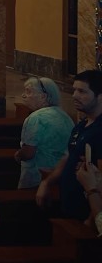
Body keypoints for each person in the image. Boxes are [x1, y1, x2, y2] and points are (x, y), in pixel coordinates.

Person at [37, 69, 102, 221]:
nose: (74, 96)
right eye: (74, 90)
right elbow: (68, 156)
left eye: (82, 91)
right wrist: (47, 182)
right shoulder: (81, 125)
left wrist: (92, 220)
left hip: (88, 215)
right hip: (69, 206)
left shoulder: (100, 131)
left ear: (99, 97)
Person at [15, 76, 74, 189]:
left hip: (38, 178)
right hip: (60, 176)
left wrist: (18, 155)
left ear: (43, 97)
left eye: (28, 92)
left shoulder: (36, 118)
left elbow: (28, 153)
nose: (23, 95)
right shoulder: (65, 116)